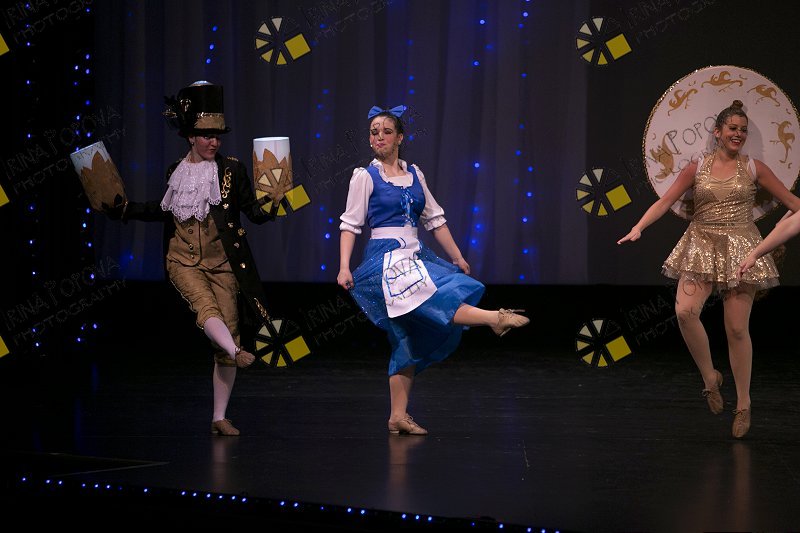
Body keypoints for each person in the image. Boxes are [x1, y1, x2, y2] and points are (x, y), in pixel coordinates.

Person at [336, 105, 530, 436]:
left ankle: (398, 416)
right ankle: (494, 319)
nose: (379, 137)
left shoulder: (415, 174)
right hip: (386, 259)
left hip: (415, 254)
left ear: (400, 137)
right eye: (374, 132)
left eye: (386, 131)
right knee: (432, 295)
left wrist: (457, 256)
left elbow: (435, 220)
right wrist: (343, 266)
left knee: (406, 336)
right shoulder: (364, 177)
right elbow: (350, 224)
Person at [617, 99, 800, 438]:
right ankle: (710, 378)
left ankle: (743, 403)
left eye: (743, 130)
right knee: (684, 312)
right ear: (717, 132)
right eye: (732, 128)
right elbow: (665, 201)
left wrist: (777, 235)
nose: (738, 134)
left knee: (736, 329)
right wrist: (639, 227)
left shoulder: (754, 168)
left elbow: (795, 205)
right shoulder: (697, 167)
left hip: (741, 248)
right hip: (700, 245)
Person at [108, 81, 276, 436]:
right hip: (182, 260)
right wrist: (127, 210)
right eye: (206, 136)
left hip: (223, 264)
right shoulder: (176, 171)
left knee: (227, 333)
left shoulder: (232, 170)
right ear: (190, 137)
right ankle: (237, 351)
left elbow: (254, 212)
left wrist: (277, 202)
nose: (213, 142)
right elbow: (164, 210)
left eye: (217, 136)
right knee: (205, 308)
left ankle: (219, 417)